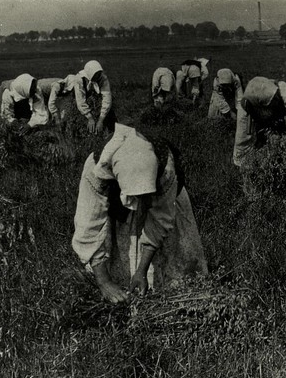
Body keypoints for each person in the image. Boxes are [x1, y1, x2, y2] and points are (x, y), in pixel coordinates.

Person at [72, 123, 208, 303]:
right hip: (116, 206)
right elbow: (88, 227)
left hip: (164, 200)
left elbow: (160, 219)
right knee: (110, 276)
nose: (142, 203)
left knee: (180, 275)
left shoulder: (165, 167)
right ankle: (114, 286)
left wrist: (142, 270)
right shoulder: (95, 172)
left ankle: (171, 292)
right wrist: (104, 282)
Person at [233, 76, 286, 167]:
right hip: (264, 127)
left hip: (284, 126)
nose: (275, 102)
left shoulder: (284, 91)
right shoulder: (246, 108)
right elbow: (241, 144)